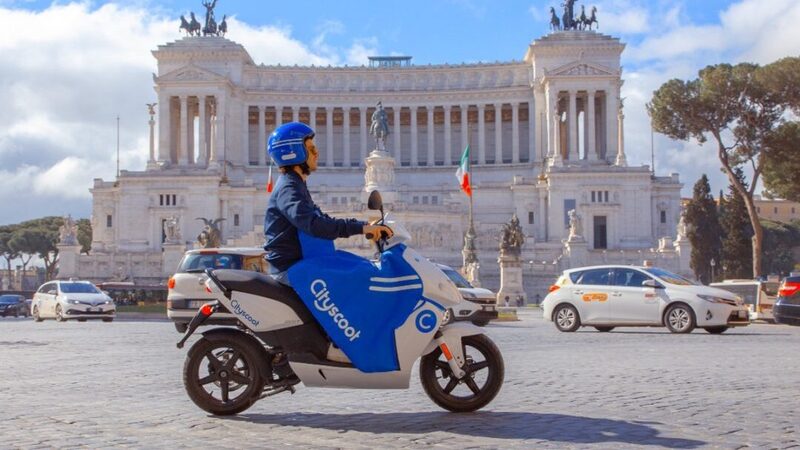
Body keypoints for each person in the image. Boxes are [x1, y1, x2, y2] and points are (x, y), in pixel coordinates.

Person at [264, 122, 393, 286]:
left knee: (360, 267)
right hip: (292, 272)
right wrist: (362, 228)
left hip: (303, 265)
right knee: (357, 282)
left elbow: (321, 219)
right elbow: (315, 225)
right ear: (294, 153)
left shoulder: (295, 185)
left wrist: (364, 226)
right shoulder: (288, 189)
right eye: (311, 149)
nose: (317, 153)